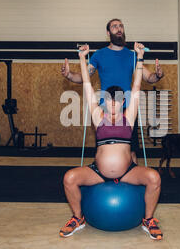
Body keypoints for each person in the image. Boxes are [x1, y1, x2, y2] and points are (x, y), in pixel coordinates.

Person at [59, 43, 163, 240]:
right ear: (104, 101)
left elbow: (137, 85)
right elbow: (88, 85)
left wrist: (139, 57)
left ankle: (148, 219)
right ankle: (77, 218)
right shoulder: (98, 116)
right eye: (109, 99)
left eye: (117, 100)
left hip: (127, 173)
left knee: (154, 178)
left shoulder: (129, 117)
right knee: (69, 178)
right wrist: (83, 58)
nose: (113, 103)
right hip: (98, 173)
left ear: (123, 101)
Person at [61, 18, 164, 163]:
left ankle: (132, 180)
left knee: (131, 153)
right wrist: (69, 74)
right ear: (108, 33)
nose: (119, 28)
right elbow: (84, 77)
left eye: (121, 26)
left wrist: (158, 75)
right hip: (105, 110)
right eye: (115, 26)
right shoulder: (99, 55)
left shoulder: (132, 55)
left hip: (127, 110)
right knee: (104, 151)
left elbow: (149, 78)